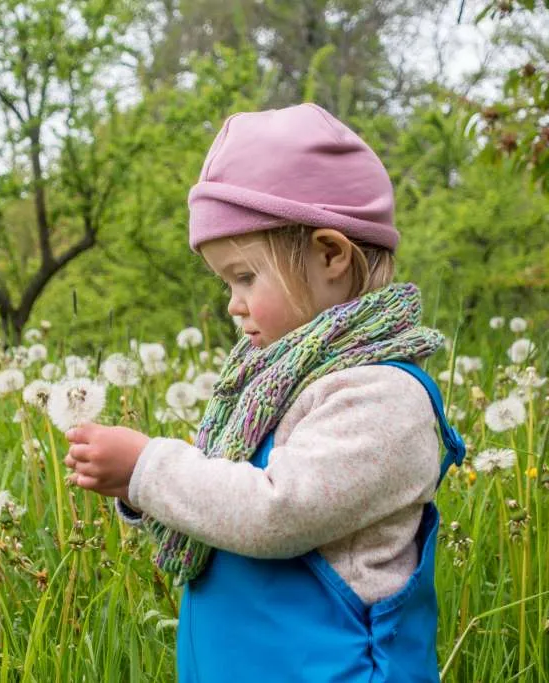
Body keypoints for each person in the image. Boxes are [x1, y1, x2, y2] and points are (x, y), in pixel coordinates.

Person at [63, 103, 465, 683]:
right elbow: (223, 503)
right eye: (226, 281)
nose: (233, 302)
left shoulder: (381, 396)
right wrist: (138, 486)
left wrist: (151, 467)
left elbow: (276, 512)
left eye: (246, 276)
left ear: (331, 255)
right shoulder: (268, 386)